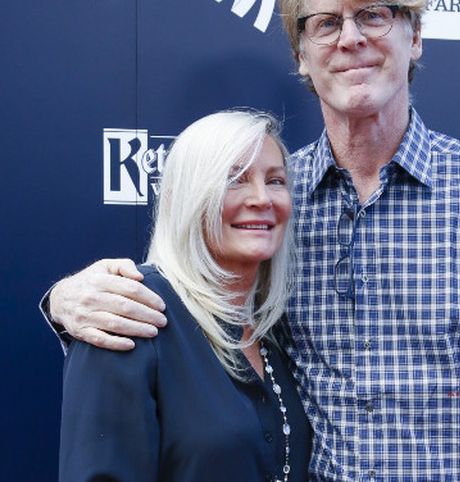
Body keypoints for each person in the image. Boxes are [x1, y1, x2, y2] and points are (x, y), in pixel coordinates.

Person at [46, 0, 460, 481]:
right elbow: (187, 301)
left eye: (373, 15)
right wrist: (63, 301)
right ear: (301, 56)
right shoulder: (273, 203)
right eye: (325, 23)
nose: (350, 39)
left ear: (415, 36)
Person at [59, 110, 311, 481]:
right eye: (235, 179)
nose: (262, 198)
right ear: (185, 196)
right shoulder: (130, 308)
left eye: (275, 180)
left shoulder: (272, 330)